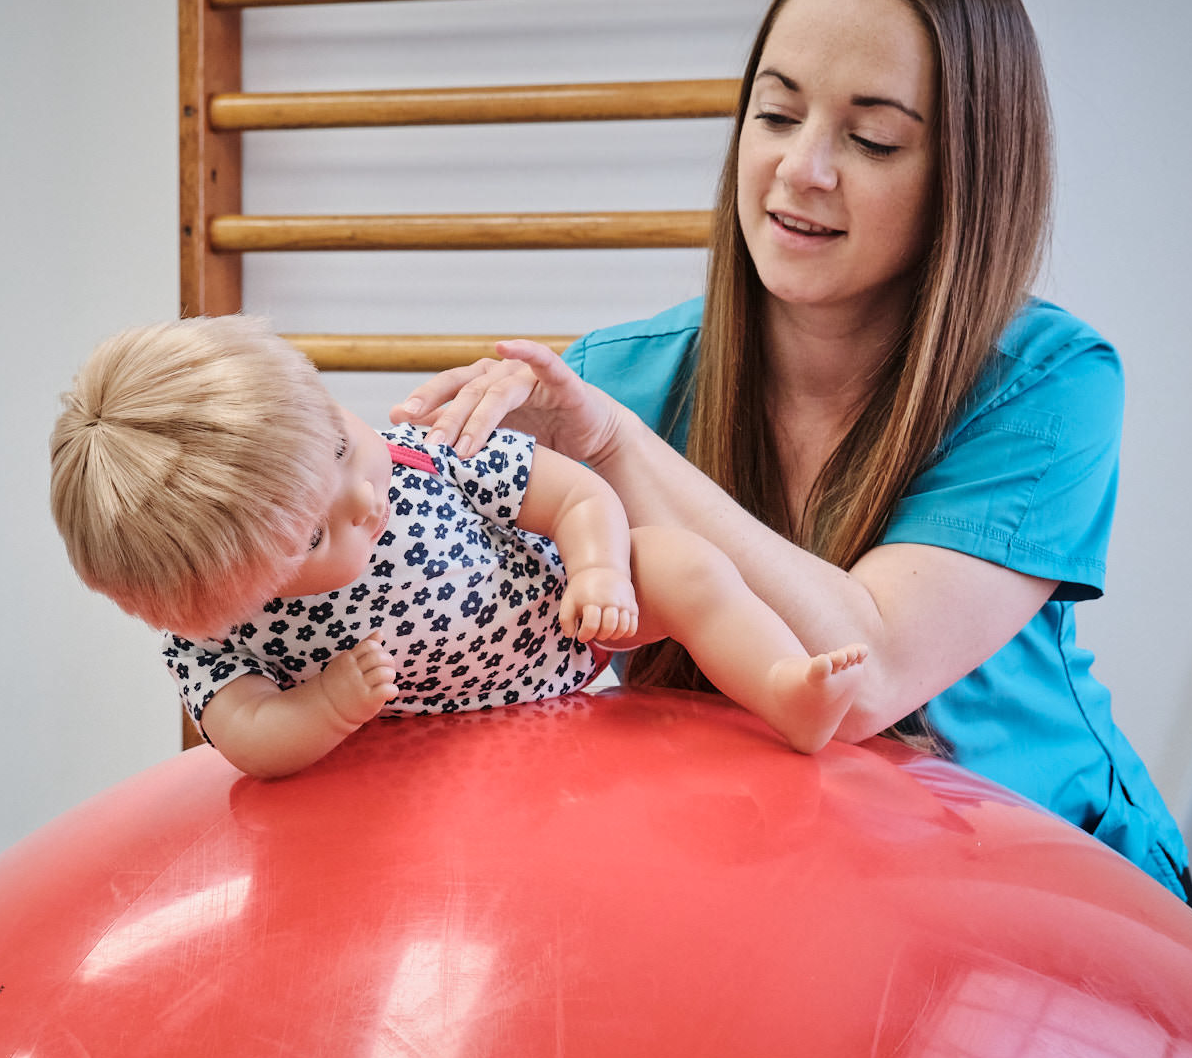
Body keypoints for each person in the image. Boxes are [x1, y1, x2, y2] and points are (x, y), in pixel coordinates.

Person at [390, 0, 1192, 905]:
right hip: (762, 895)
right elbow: (460, 643)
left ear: (967, 177)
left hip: (1035, 893)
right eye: (776, 117)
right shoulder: (619, 376)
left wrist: (614, 450)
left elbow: (870, 669)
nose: (801, 170)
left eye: (873, 140)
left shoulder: (1051, 381)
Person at [49, 315, 870, 778]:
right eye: (310, 535)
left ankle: (781, 688)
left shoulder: (418, 457)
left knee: (686, 567)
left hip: (565, 628)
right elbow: (249, 738)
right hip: (452, 757)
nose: (365, 501)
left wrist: (596, 568)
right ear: (231, 595)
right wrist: (324, 708)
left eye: (338, 447)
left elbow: (576, 492)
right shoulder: (216, 634)